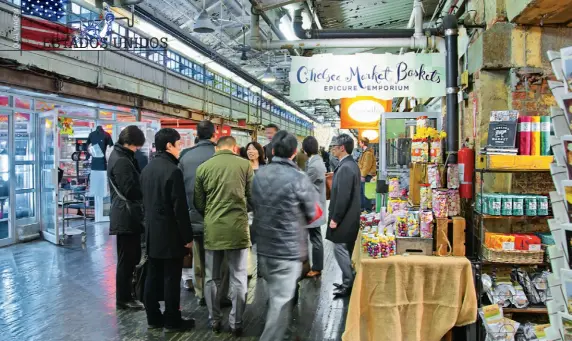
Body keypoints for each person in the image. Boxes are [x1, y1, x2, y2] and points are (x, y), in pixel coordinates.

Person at [251, 130, 322, 341]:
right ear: (293, 153)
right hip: (287, 252)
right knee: (281, 304)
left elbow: (254, 204)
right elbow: (314, 213)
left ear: (272, 150)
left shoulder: (259, 174)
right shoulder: (298, 178)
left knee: (275, 298)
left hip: (263, 250)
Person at [194, 136, 253, 336]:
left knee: (211, 277)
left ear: (216, 148)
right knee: (238, 276)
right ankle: (236, 322)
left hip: (213, 228)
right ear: (234, 147)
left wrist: (211, 214)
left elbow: (198, 202)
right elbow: (252, 197)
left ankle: (214, 320)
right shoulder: (245, 165)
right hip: (238, 228)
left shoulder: (203, 167)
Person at [140, 128, 195, 332]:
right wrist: (187, 237)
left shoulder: (147, 168)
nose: (180, 148)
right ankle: (172, 319)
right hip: (170, 233)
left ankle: (153, 317)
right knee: (171, 278)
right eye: (178, 143)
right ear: (169, 145)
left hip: (152, 232)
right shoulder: (173, 170)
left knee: (152, 275)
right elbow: (179, 208)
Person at [178, 120, 224, 306]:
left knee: (198, 256)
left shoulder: (185, 156)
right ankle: (218, 294)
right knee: (220, 259)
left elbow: (179, 190)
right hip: (219, 217)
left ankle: (201, 294)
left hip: (193, 216)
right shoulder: (221, 155)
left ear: (197, 135)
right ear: (215, 134)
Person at [108, 125, 146, 311]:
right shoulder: (122, 160)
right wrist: (144, 187)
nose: (138, 149)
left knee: (128, 257)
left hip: (124, 214)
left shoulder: (120, 156)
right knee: (127, 259)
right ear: (129, 143)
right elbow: (130, 190)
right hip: (126, 215)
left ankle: (127, 296)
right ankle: (124, 299)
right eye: (137, 146)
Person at [326, 134, 361, 299]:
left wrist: (335, 218)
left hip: (345, 218)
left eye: (334, 146)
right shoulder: (348, 164)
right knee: (343, 249)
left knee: (340, 249)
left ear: (342, 148)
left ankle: (348, 283)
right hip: (348, 216)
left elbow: (343, 196)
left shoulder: (346, 167)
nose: (332, 148)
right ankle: (346, 280)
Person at [302, 136, 327, 278]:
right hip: (315, 205)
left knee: (315, 238)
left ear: (306, 148)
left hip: (313, 207)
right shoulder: (315, 161)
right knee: (314, 236)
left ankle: (317, 267)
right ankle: (314, 265)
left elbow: (304, 184)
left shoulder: (314, 165)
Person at [357, 137, 377, 212]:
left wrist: (362, 175)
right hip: (365, 175)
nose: (359, 143)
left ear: (363, 143)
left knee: (366, 193)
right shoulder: (365, 152)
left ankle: (367, 209)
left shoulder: (367, 153)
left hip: (366, 176)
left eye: (360, 142)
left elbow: (366, 165)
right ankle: (362, 208)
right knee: (362, 192)